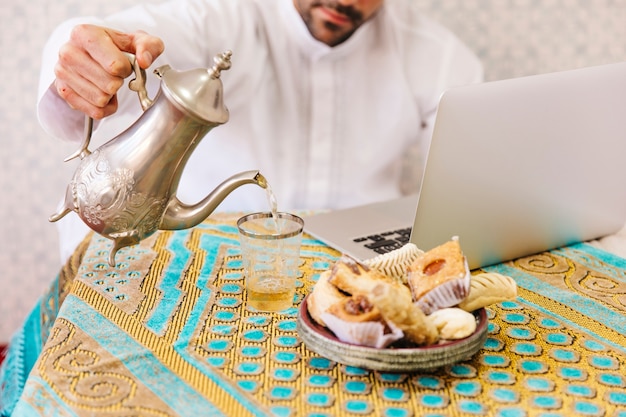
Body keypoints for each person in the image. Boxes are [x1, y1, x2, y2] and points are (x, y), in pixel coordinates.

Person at [37, 0, 483, 263]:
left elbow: (469, 193)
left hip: (360, 271)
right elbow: (137, 29)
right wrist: (87, 55)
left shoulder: (439, 57)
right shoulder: (225, 15)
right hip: (198, 263)